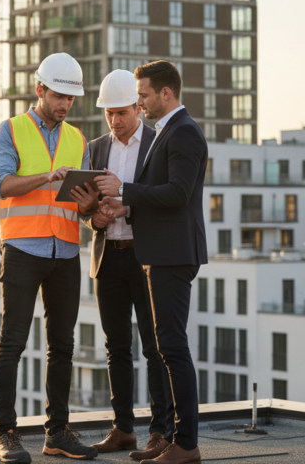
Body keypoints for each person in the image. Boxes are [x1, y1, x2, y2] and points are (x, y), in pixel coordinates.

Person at [95, 60, 208, 464]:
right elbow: (164, 194)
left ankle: (185, 444)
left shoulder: (184, 132)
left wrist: (124, 191)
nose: (138, 102)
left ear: (165, 93)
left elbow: (177, 193)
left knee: (172, 349)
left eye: (142, 95)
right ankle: (180, 441)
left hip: (172, 254)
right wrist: (119, 206)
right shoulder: (170, 131)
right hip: (162, 253)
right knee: (166, 346)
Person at [0, 52, 100, 463]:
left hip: (65, 251)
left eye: (71, 99)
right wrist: (46, 177)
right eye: (58, 96)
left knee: (63, 346)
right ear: (40, 90)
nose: (65, 105)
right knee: (13, 342)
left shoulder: (78, 140)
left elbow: (83, 209)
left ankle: (57, 433)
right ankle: (7, 433)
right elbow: (2, 185)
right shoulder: (11, 130)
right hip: (21, 250)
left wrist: (90, 205)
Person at [70, 70, 173, 459]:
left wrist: (127, 205)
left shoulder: (157, 144)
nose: (115, 120)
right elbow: (86, 207)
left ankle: (161, 431)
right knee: (116, 348)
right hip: (107, 257)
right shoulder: (95, 149)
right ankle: (123, 429)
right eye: (109, 113)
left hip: (145, 259)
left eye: (122, 112)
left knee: (154, 347)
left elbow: (162, 196)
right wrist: (91, 217)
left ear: (138, 107)